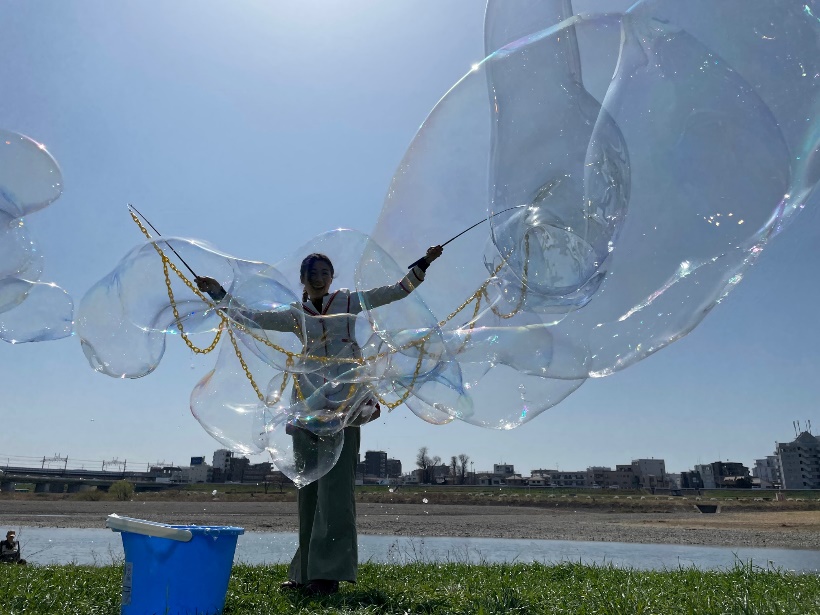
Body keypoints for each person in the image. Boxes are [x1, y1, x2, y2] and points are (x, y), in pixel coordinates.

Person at [196, 245, 442, 595]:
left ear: (331, 277)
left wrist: (424, 263)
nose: (319, 278)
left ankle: (328, 575)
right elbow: (252, 318)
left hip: (346, 405)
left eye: (325, 273)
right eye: (312, 274)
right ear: (303, 279)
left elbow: (397, 291)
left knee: (336, 492)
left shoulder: (348, 301)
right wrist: (218, 294)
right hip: (306, 404)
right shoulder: (297, 314)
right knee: (308, 491)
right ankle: (305, 573)